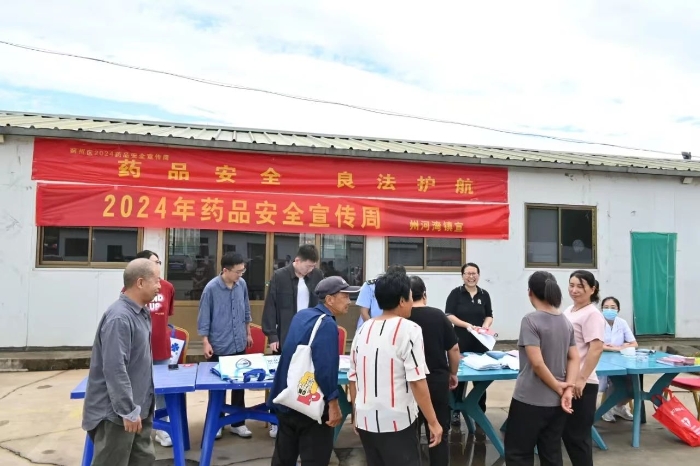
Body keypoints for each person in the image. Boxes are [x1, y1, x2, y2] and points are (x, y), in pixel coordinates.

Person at [349, 270, 443, 466]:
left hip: (366, 421)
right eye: (409, 296)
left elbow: (353, 377)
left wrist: (356, 413)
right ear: (402, 300)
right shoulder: (410, 330)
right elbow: (417, 381)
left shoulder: (362, 329)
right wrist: (433, 422)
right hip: (397, 423)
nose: (411, 301)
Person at [268, 276, 359, 466]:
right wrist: (333, 403)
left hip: (288, 398)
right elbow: (325, 368)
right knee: (315, 458)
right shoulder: (327, 324)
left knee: (284, 458)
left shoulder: (302, 316)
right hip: (310, 406)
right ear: (330, 299)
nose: (349, 302)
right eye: (345, 296)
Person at [82, 258, 161, 466]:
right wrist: (127, 410)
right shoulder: (120, 318)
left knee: (143, 460)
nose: (160, 286)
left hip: (138, 411)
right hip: (117, 416)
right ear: (141, 283)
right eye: (157, 281)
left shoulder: (141, 313)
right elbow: (115, 369)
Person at [504, 271, 580, 466]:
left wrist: (558, 387)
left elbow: (537, 363)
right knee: (551, 452)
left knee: (519, 453)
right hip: (557, 403)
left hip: (529, 399)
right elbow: (574, 358)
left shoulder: (530, 320)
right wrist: (567, 389)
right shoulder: (565, 321)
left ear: (530, 292)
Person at [121, 250, 176, 448]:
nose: (157, 265)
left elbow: (167, 316)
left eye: (159, 262)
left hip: (160, 349)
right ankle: (138, 426)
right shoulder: (128, 291)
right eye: (153, 262)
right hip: (138, 351)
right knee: (137, 390)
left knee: (161, 391)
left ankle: (162, 429)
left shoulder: (168, 287)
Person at [197, 252, 254, 439]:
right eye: (237, 272)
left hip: (239, 342)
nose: (240, 275)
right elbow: (204, 317)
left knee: (239, 386)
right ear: (225, 270)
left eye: (242, 271)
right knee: (218, 388)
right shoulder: (211, 288)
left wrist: (248, 333)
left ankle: (238, 422)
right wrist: (205, 342)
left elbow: (246, 309)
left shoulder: (242, 285)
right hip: (219, 344)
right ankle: (217, 422)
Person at [408, 276, 460, 466]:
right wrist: (453, 373)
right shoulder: (438, 316)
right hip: (436, 382)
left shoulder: (401, 317)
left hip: (410, 384)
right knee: (438, 432)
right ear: (425, 294)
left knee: (409, 435)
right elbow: (454, 350)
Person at [562, 270, 605, 466]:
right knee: (566, 435)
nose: (574, 290)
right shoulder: (570, 310)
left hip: (582, 384)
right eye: (572, 285)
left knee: (577, 438)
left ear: (592, 289)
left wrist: (581, 378)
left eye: (580, 286)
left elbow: (596, 349)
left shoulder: (592, 314)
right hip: (567, 380)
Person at [445, 262, 494, 425]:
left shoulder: (484, 294)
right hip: (460, 341)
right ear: (462, 276)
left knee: (481, 379)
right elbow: (449, 315)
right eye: (468, 273)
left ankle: (480, 409)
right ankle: (455, 411)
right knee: (459, 377)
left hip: (480, 343)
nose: (471, 276)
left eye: (474, 273)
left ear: (478, 275)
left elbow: (489, 315)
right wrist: (467, 326)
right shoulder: (455, 294)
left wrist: (485, 326)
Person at [600, 296, 637, 423]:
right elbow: (594, 345)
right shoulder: (596, 322)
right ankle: (607, 408)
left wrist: (617, 347)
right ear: (601, 309)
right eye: (606, 307)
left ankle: (618, 406)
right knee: (613, 381)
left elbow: (634, 343)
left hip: (619, 360)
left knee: (632, 382)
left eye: (613, 307)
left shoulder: (622, 323)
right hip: (600, 360)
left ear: (618, 309)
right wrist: (617, 348)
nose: (609, 310)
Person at [355, 264, 406, 330]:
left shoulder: (402, 287)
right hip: (368, 328)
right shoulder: (371, 285)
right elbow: (364, 312)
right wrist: (375, 329)